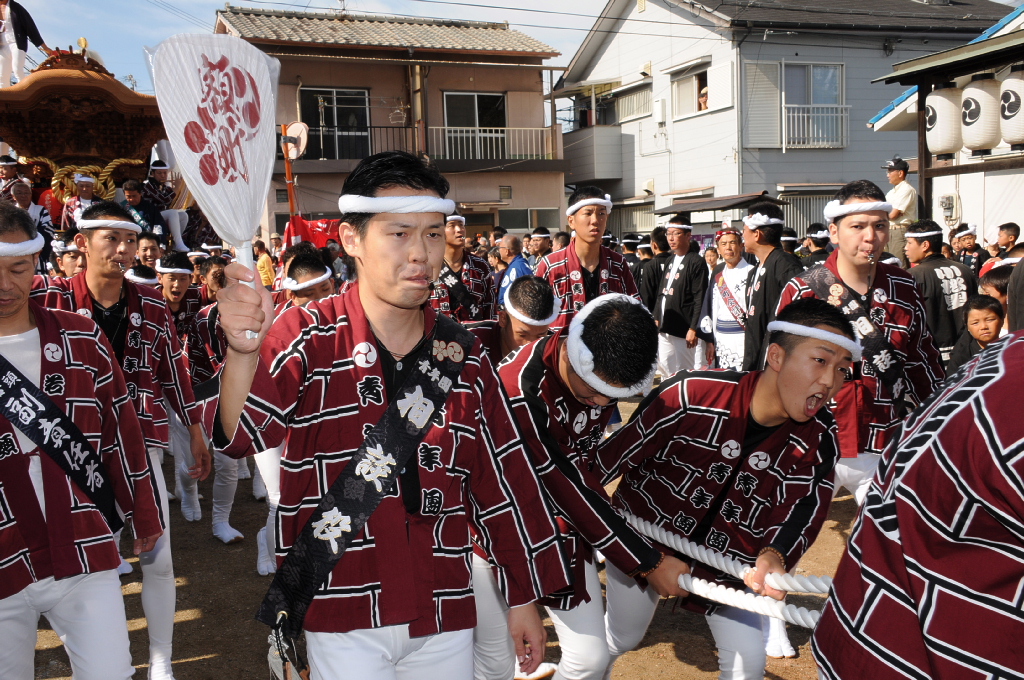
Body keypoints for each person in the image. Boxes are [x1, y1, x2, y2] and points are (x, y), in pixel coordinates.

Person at [207, 151, 570, 679]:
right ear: (350, 239)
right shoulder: (307, 336)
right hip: (341, 605)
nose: (421, 253)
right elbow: (241, 436)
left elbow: (502, 480)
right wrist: (243, 354)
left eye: (433, 233)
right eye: (399, 234)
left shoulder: (463, 355)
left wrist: (521, 597)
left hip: (443, 602)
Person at [598, 298, 852, 680]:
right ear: (777, 356)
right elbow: (600, 468)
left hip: (732, 562)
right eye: (820, 360)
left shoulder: (819, 438)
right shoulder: (690, 394)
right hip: (643, 541)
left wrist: (775, 555)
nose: (831, 381)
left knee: (748, 661)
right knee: (623, 636)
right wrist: (642, 557)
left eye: (843, 369)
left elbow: (805, 507)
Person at [31, 201, 211, 680]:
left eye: (130, 239)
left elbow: (173, 371)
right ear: (82, 243)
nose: (124, 248)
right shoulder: (49, 299)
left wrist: (194, 427)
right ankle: (99, 655)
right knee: (91, 561)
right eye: (111, 238)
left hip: (141, 441)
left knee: (159, 556)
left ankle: (160, 657)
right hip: (71, 447)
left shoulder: (151, 303)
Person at [486, 294, 689, 680]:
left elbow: (584, 469)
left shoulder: (598, 376)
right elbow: (562, 481)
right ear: (571, 349)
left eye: (612, 396)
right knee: (491, 663)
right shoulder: (519, 390)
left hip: (564, 526)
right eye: (592, 390)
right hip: (494, 537)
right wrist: (646, 560)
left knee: (590, 659)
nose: (600, 402)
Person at [0, 200, 162, 680]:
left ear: (36, 262)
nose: (4, 284)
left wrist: (142, 510)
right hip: (5, 549)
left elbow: (121, 433)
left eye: (17, 269)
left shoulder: (81, 337)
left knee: (111, 672)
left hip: (84, 542)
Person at [811, 331, 1024, 679]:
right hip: (835, 433)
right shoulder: (1005, 365)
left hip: (883, 435)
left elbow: (919, 363)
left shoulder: (1002, 352)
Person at [776, 180, 944, 506]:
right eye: (858, 226)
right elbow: (777, 369)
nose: (871, 237)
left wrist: (939, 419)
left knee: (891, 532)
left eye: (880, 226)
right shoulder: (802, 291)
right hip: (813, 438)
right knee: (785, 531)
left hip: (885, 438)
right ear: (834, 232)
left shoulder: (905, 287)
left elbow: (923, 360)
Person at [536, 188, 639, 332]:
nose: (595, 220)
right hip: (562, 344)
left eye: (601, 213)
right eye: (588, 213)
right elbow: (535, 315)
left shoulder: (618, 263)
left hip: (608, 343)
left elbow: (635, 308)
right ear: (571, 221)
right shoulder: (551, 265)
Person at [741, 202, 804, 371]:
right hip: (756, 356)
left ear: (757, 234)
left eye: (744, 230)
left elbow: (799, 315)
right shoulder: (755, 270)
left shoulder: (785, 265)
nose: (742, 235)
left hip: (777, 362)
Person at [904, 220, 977, 364]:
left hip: (933, 355)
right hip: (968, 350)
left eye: (909, 243)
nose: (905, 248)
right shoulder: (965, 270)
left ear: (925, 245)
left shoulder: (913, 275)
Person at [652, 217, 707, 377]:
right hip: (665, 325)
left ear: (688, 235)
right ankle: (669, 392)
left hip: (684, 327)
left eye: (676, 233)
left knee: (684, 370)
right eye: (668, 234)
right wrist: (657, 315)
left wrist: (693, 328)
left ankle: (684, 394)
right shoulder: (670, 259)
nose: (671, 238)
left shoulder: (696, 261)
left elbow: (700, 296)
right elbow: (661, 291)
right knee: (665, 368)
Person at [466, 275, 556, 366]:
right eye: (522, 335)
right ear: (503, 319)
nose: (531, 345)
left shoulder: (556, 350)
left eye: (540, 336)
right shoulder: (468, 340)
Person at [697, 228, 752, 370]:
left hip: (744, 337)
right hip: (721, 339)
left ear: (741, 246)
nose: (728, 247)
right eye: (723, 244)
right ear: (719, 250)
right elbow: (708, 307)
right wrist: (709, 341)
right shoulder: (718, 276)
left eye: (732, 243)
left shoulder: (752, 273)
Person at [429, 214, 497, 322]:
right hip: (437, 331)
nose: (459, 229)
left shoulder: (480, 265)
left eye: (461, 225)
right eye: (452, 225)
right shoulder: (428, 265)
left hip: (473, 330)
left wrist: (489, 329)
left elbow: (490, 303)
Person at [945, 294, 1004, 374]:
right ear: (967, 327)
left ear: (1002, 320)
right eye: (975, 323)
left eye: (989, 320)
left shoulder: (1012, 350)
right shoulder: (961, 358)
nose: (983, 327)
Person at [0, 0, 51, 87]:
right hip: (2, 45)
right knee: (2, 75)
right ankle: (4, 95)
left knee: (17, 69)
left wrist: (45, 47)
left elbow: (30, 27)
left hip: (16, 43)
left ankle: (23, 92)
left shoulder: (16, 8)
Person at [10, 180, 52, 274]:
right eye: (19, 193)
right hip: (17, 249)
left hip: (38, 249)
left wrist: (32, 238)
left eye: (26, 193)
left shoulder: (40, 210)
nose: (23, 195)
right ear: (13, 196)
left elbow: (48, 229)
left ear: (31, 194)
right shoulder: (10, 212)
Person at [882, 155, 917, 265]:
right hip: (889, 229)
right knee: (886, 262)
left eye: (890, 171)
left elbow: (893, 215)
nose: (887, 175)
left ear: (900, 173)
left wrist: (883, 217)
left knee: (899, 264)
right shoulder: (891, 192)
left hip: (899, 231)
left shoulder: (907, 189)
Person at [121, 179, 168, 246]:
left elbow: (158, 225)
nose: (131, 199)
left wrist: (160, 243)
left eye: (134, 196)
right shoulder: (121, 208)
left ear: (140, 193)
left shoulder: (150, 207)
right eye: (128, 196)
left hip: (147, 242)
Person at [639, 226, 672, 311]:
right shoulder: (675, 262)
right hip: (674, 312)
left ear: (654, 245)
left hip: (655, 312)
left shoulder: (650, 265)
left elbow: (646, 296)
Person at [497, 234, 534, 305]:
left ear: (507, 251)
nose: (499, 250)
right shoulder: (515, 265)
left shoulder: (519, 267)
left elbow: (528, 296)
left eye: (500, 247)